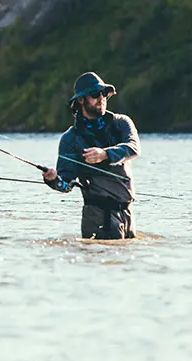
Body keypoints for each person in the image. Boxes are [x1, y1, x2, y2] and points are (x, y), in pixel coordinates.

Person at [42, 72, 140, 240]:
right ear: (80, 100)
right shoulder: (70, 139)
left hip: (127, 213)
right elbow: (65, 184)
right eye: (95, 94)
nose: (101, 98)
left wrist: (105, 154)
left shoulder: (121, 123)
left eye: (104, 93)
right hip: (97, 216)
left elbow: (133, 148)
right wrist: (52, 179)